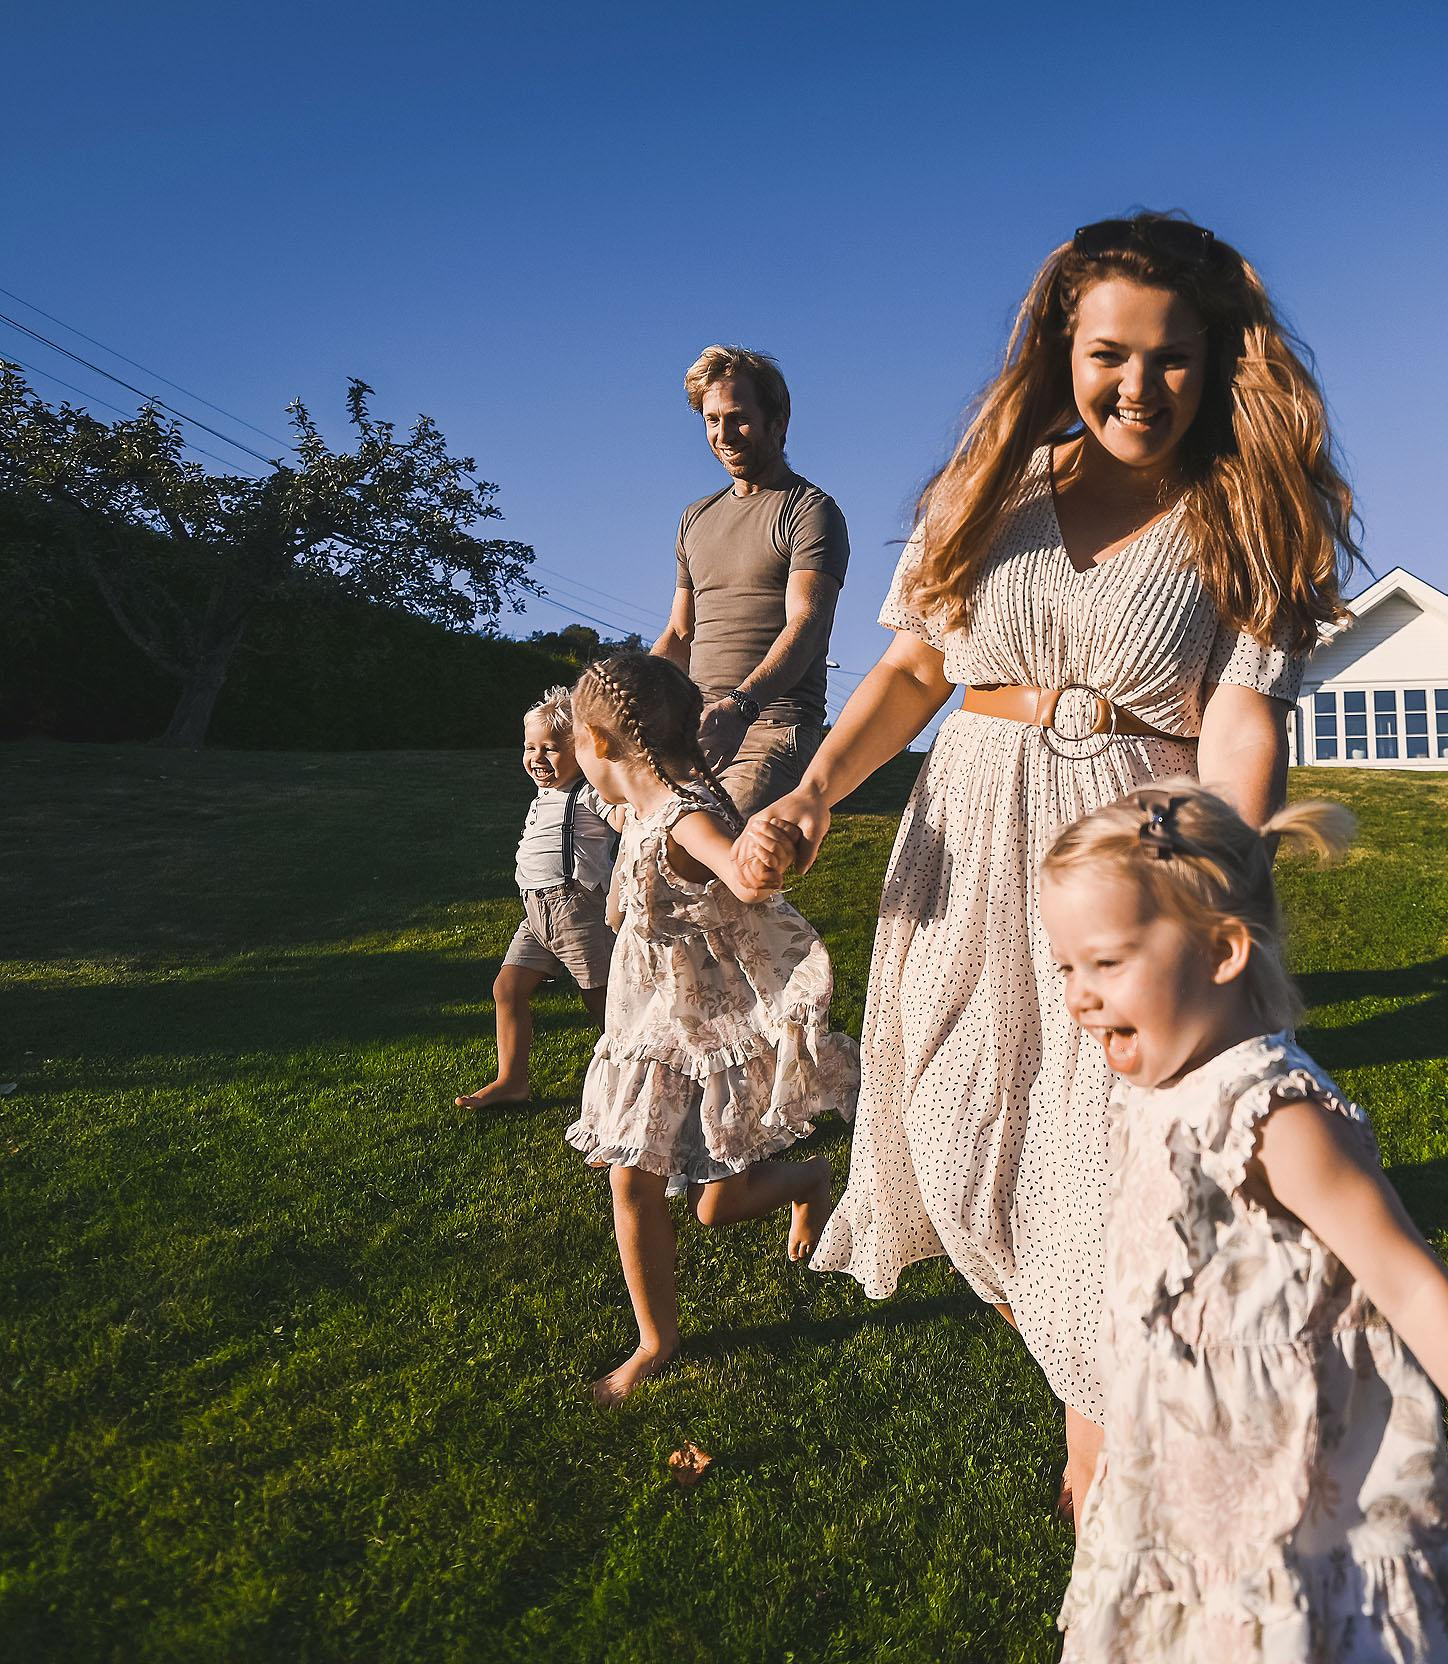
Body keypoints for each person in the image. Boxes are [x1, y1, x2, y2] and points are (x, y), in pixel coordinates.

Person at [736, 212, 1357, 1518]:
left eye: (1173, 358)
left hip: (1132, 862)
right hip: (967, 844)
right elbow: (913, 669)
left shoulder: (1247, 517)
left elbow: (1242, 713)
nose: (1140, 385)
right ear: (1062, 354)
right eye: (1110, 354)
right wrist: (809, 795)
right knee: (966, 1141)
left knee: (1115, 1161)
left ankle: (1104, 1441)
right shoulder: (992, 489)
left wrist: (1221, 870)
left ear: (1218, 361)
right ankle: (1115, 1375)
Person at [1039, 783, 1448, 1664]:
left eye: (1105, 964)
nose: (1078, 997)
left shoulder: (1276, 1117)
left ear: (1223, 950)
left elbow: (1417, 1291)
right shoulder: (1153, 1097)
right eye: (1066, 967)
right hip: (1181, 1509)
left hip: (1300, 1526)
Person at [564, 652, 861, 1405]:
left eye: (572, 743)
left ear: (599, 745)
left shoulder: (685, 815)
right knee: (632, 1178)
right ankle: (656, 1340)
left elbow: (734, 868)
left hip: (710, 1033)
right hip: (649, 1031)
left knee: (716, 1204)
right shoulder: (630, 808)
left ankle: (808, 1180)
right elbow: (623, 836)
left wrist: (756, 858)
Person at [653, 345, 851, 816]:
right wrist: (630, 701)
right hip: (696, 733)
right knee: (640, 877)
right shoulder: (694, 518)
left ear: (777, 421)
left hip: (771, 729)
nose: (723, 434)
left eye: (737, 417)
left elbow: (807, 624)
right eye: (711, 420)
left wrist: (740, 707)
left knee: (720, 870)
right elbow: (680, 634)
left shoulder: (809, 510)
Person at [456, 686, 619, 1111]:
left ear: (581, 751)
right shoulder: (544, 797)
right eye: (530, 748)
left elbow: (623, 815)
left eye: (550, 749)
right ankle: (512, 1080)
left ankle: (626, 1095)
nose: (537, 758)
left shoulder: (589, 793)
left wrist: (634, 807)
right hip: (536, 913)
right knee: (507, 989)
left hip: (578, 909)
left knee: (605, 1007)